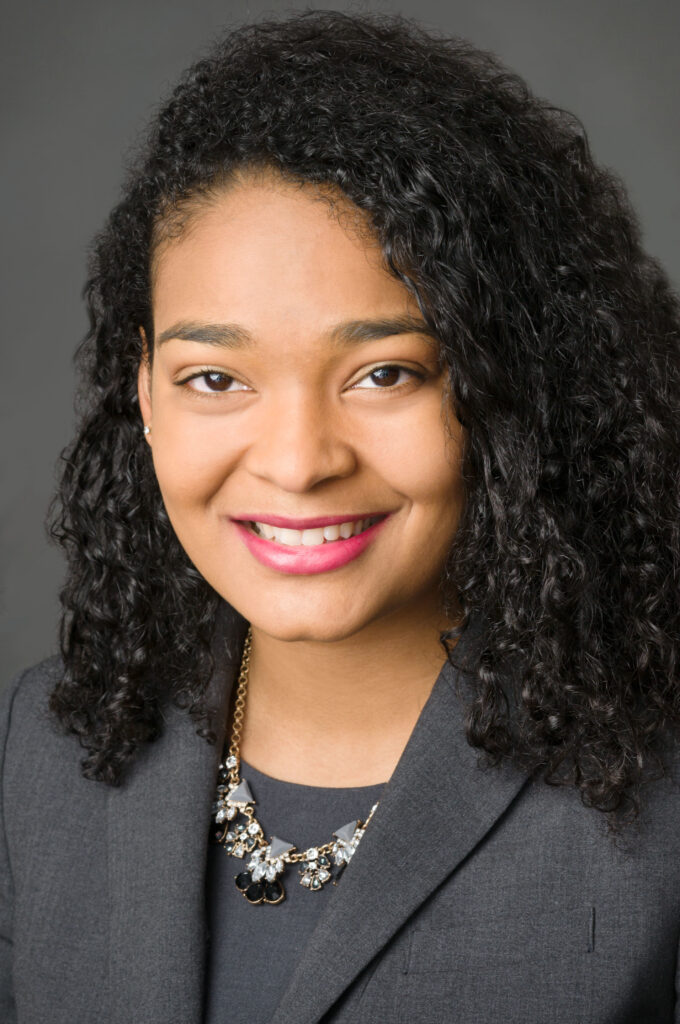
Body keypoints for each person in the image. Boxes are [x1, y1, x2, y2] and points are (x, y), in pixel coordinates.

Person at [1, 9, 679, 1023]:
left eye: (382, 372)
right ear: (141, 388)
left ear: (506, 383)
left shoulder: (658, 797)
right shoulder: (40, 755)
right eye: (216, 375)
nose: (297, 460)